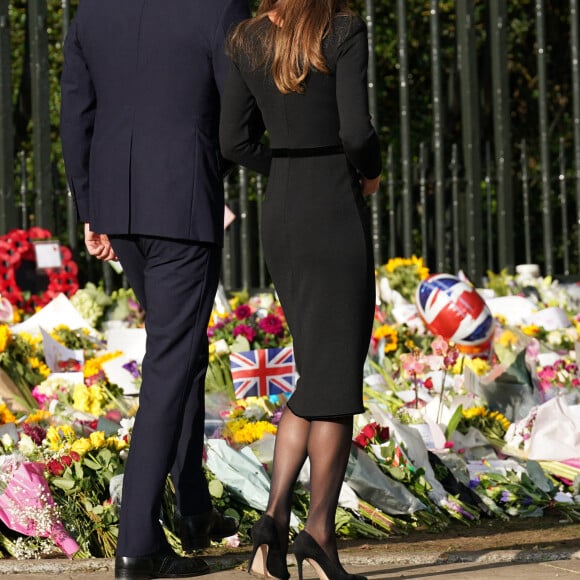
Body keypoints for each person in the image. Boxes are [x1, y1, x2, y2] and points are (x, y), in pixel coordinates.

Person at [60, 1, 250, 578]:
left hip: (120, 205)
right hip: (181, 201)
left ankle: (192, 507)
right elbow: (238, 110)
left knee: (184, 350)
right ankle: (139, 542)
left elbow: (76, 114)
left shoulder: (91, 12)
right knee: (171, 360)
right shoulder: (219, 6)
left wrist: (92, 207)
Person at [219, 1, 381, 579]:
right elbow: (356, 130)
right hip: (334, 205)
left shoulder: (246, 39)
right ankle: (317, 533)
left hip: (282, 208)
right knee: (334, 381)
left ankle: (270, 534)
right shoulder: (342, 29)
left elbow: (234, 142)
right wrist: (370, 168)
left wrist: (283, 163)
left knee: (316, 372)